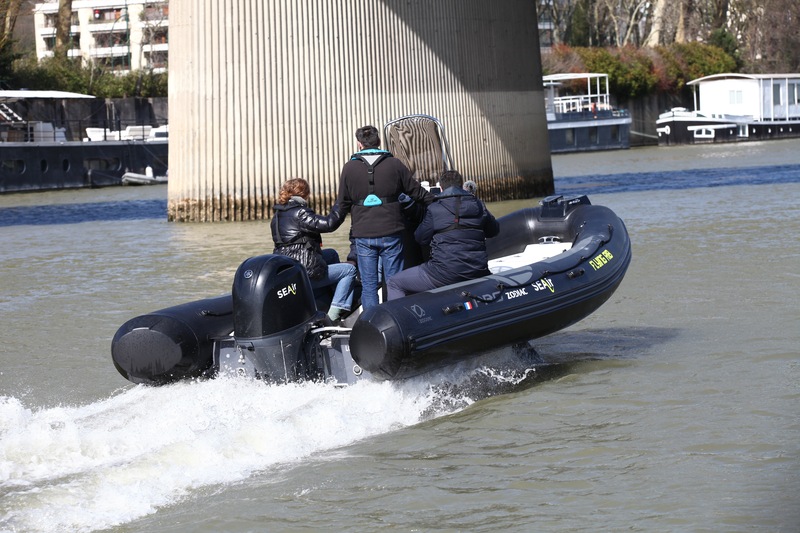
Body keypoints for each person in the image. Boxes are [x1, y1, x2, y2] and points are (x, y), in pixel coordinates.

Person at [335, 125, 433, 309]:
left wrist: (329, 223)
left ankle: (372, 323)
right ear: (379, 141)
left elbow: (342, 203)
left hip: (363, 235)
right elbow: (417, 192)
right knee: (394, 282)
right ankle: (395, 319)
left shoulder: (349, 168)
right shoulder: (394, 164)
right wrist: (440, 202)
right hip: (392, 232)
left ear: (359, 144)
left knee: (369, 286)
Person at [386, 170, 500, 300]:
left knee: (394, 283)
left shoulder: (435, 208)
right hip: (478, 270)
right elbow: (494, 231)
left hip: (444, 273)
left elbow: (421, 238)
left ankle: (403, 318)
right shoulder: (479, 205)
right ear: (461, 185)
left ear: (440, 187)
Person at [270, 178, 355, 321]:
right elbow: (328, 224)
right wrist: (342, 205)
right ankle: (333, 316)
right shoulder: (300, 212)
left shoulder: (277, 215)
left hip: (290, 269)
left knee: (332, 254)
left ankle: (334, 297)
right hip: (306, 272)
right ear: (304, 194)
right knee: (349, 270)